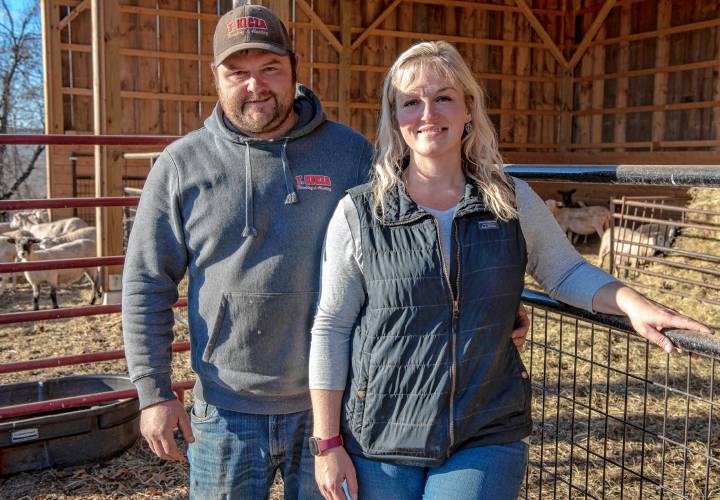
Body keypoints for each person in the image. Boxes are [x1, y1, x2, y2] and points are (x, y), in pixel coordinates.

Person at [122, 5, 530, 498]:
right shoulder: (181, 166)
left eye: (270, 69)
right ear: (216, 77)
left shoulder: (351, 154)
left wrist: (487, 302)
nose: (255, 86)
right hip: (226, 411)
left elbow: (413, 242)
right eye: (238, 73)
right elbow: (147, 281)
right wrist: (154, 391)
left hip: (335, 411)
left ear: (295, 67)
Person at [308, 41, 713, 500]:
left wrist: (633, 304)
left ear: (468, 109)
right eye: (410, 102)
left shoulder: (509, 199)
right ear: (394, 116)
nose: (427, 113)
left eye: (443, 97)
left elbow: (564, 273)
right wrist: (328, 442)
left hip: (485, 426)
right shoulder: (361, 212)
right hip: (380, 432)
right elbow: (332, 326)